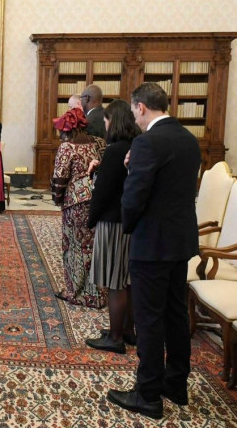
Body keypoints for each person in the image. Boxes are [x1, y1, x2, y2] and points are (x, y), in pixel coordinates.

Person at [106, 82, 201, 420]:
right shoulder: (189, 139)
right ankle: (175, 384)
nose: (134, 116)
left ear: (141, 107)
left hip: (151, 243)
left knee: (149, 318)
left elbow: (135, 197)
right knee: (176, 314)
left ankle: (147, 394)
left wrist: (129, 225)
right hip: (180, 241)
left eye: (134, 110)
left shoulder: (147, 143)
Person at [84, 100, 142, 354]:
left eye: (106, 121)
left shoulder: (115, 150)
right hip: (130, 221)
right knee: (126, 280)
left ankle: (115, 338)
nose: (105, 125)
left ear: (113, 121)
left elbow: (103, 191)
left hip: (113, 221)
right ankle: (127, 330)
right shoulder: (135, 145)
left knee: (115, 280)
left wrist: (91, 219)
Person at [51, 106, 106, 309]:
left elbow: (60, 178)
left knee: (74, 247)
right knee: (93, 246)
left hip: (75, 203)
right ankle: (97, 293)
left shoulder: (67, 148)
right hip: (98, 199)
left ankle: (76, 292)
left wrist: (57, 199)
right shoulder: (98, 143)